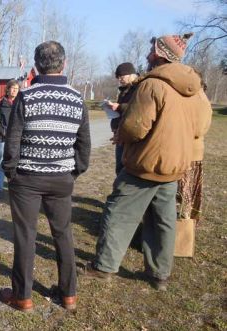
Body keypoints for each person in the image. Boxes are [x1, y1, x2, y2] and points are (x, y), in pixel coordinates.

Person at [82, 33, 212, 291]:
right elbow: (202, 125)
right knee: (162, 221)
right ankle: (159, 275)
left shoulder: (152, 84)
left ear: (161, 53)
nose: (147, 54)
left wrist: (121, 134)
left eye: (151, 50)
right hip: (175, 167)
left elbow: (136, 127)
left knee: (118, 213)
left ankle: (104, 267)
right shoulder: (195, 89)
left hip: (145, 165)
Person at [1, 41, 91, 312]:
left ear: (36, 65)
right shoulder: (77, 99)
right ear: (63, 64)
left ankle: (23, 297)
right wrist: (74, 170)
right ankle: (69, 294)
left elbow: (13, 138)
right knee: (63, 234)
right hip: (61, 178)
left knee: (25, 235)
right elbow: (84, 144)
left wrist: (11, 171)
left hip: (26, 179)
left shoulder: (27, 97)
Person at [176, 69, 212, 223]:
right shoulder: (194, 97)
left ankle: (183, 233)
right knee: (181, 195)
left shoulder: (200, 99)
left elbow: (198, 128)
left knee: (185, 197)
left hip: (190, 155)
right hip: (184, 153)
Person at [107, 62, 139, 175]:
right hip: (120, 134)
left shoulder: (140, 88)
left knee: (126, 170)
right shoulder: (124, 90)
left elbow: (139, 109)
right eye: (118, 77)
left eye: (121, 76)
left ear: (131, 74)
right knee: (119, 168)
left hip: (130, 136)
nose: (119, 79)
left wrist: (119, 107)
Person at [0, 79, 19, 199]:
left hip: (17, 139)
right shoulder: (0, 105)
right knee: (2, 163)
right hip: (4, 139)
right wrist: (3, 132)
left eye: (16, 89)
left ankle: (16, 189)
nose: (14, 91)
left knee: (17, 164)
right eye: (12, 88)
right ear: (7, 89)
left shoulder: (20, 104)